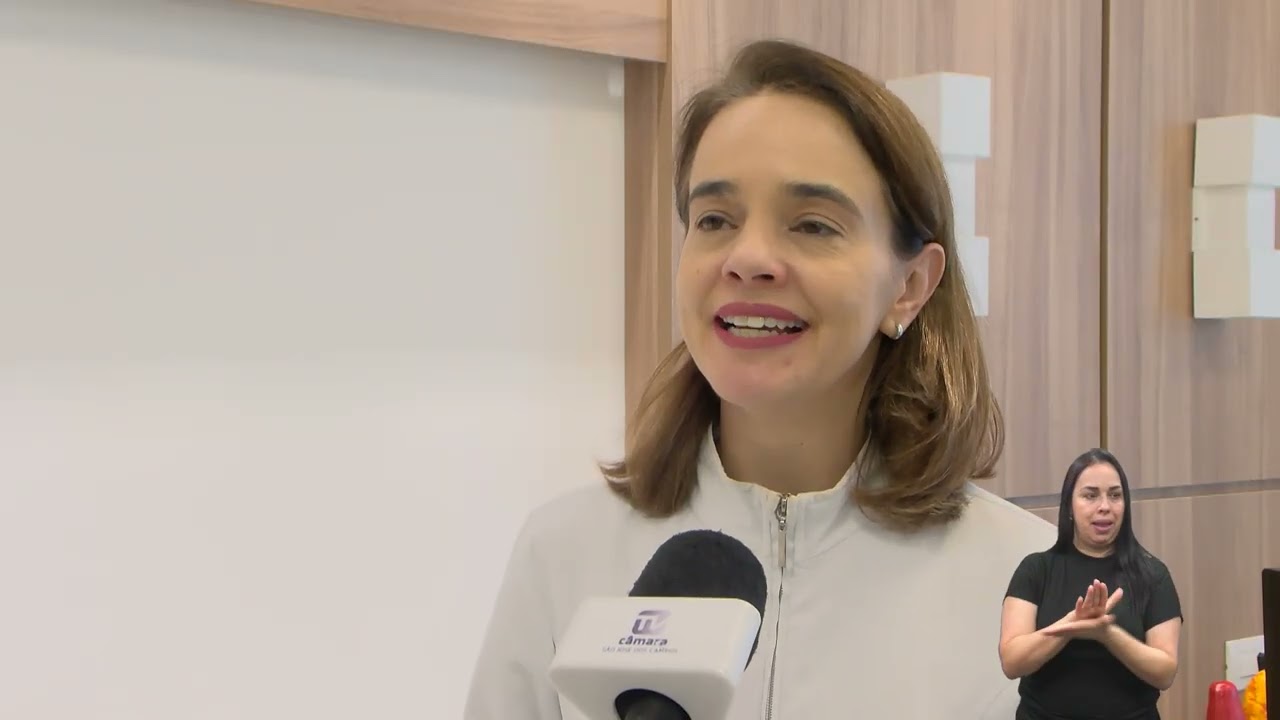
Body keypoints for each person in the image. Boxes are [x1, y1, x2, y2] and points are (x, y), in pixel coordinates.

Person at [464, 38, 1056, 719]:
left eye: (812, 225)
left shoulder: (1033, 588)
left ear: (910, 286)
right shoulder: (563, 554)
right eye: (715, 219)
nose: (747, 258)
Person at [999, 448, 1184, 720]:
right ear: (1069, 506)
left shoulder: (1153, 575)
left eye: (1115, 495)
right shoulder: (1036, 570)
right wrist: (1070, 626)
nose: (1105, 506)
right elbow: (1012, 662)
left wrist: (1107, 633)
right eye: (1090, 495)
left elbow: (1165, 672)